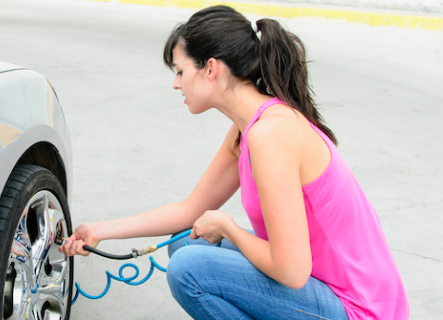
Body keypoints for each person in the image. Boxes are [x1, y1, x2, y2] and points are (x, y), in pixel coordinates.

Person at [59, 5, 409, 320]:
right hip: (322, 288)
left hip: (357, 308)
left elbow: (291, 270)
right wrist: (101, 230)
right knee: (186, 242)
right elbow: (190, 210)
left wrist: (228, 228)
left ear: (210, 68)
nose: (176, 84)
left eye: (180, 71)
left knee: (189, 269)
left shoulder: (271, 134)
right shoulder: (247, 129)